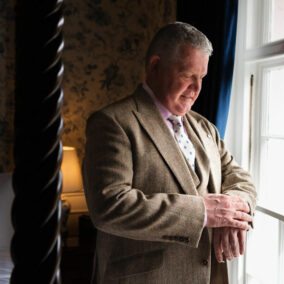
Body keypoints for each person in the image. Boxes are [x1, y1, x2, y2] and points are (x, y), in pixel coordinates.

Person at [82, 22, 257, 284]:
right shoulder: (112, 123)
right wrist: (203, 213)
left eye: (202, 78)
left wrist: (231, 212)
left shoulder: (205, 127)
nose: (197, 89)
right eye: (188, 75)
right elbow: (110, 206)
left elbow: (240, 178)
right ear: (155, 66)